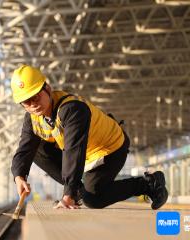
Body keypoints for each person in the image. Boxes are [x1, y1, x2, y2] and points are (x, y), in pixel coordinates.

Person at [10, 64, 168, 210]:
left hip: (109, 148)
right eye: (26, 102)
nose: (32, 104)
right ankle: (78, 192)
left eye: (35, 97)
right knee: (36, 148)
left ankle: (148, 184)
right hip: (86, 153)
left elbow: (73, 151)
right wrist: (19, 176)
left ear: (48, 88)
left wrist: (68, 195)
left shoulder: (72, 109)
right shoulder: (32, 118)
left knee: (93, 199)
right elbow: (25, 148)